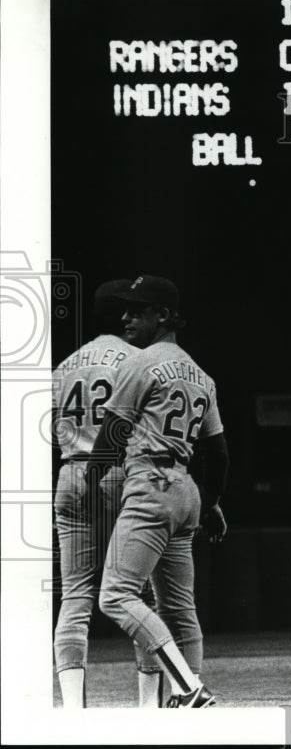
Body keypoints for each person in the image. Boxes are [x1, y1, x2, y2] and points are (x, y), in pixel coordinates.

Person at [89, 275, 228, 708]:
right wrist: (213, 502)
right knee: (180, 609)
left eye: (138, 309)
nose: (127, 316)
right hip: (186, 489)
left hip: (150, 483)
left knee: (115, 594)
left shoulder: (142, 362)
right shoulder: (202, 376)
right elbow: (218, 451)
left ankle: (186, 687)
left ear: (164, 315)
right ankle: (190, 698)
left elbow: (111, 436)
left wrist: (89, 488)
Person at [52, 279, 163, 707]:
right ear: (125, 315)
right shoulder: (139, 360)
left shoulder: (64, 366)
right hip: (122, 474)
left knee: (75, 596)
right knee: (142, 593)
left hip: (71, 475)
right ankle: (149, 705)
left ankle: (74, 709)